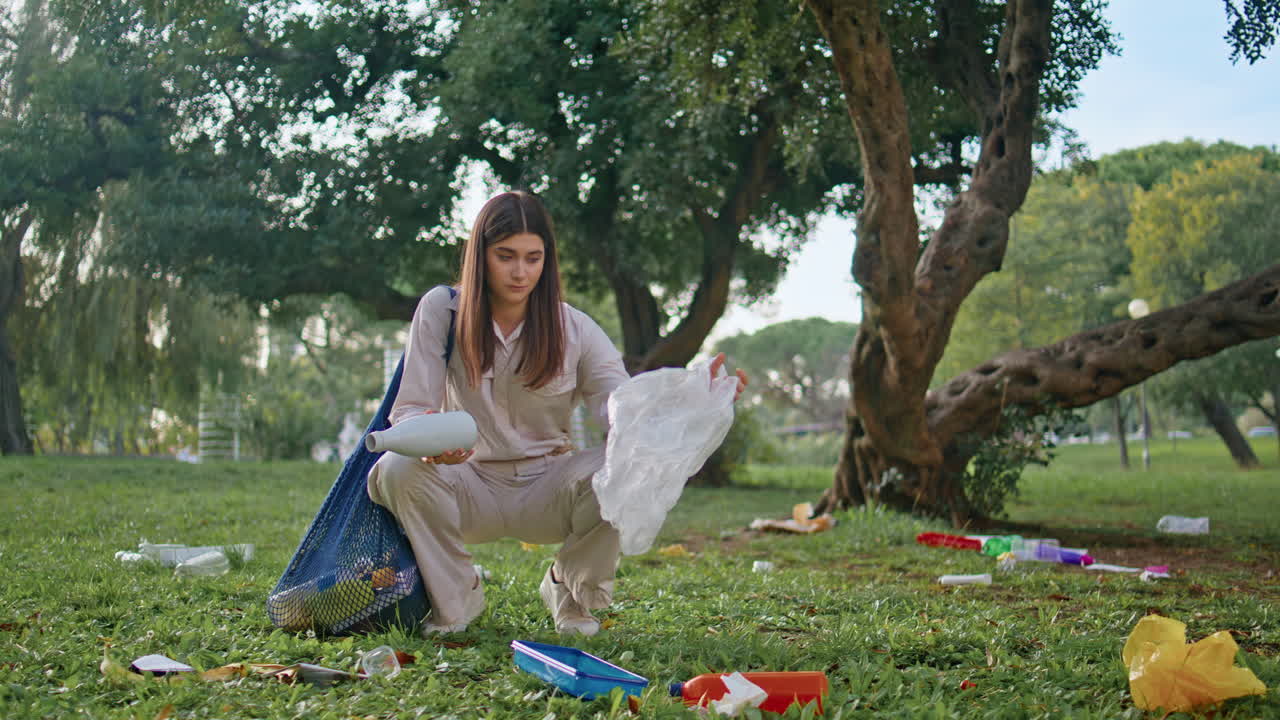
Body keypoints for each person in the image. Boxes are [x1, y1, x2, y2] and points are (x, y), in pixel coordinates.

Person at [367, 191, 747, 637]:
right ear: (480, 255)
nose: (520, 272)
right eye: (505, 256)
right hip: (466, 481)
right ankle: (455, 601)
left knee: (624, 465)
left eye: (533, 258)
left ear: (547, 260)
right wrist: (430, 443)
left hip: (547, 487)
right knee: (396, 467)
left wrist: (688, 401)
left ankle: (569, 590)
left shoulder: (575, 328)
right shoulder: (442, 310)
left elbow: (619, 409)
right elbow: (412, 406)